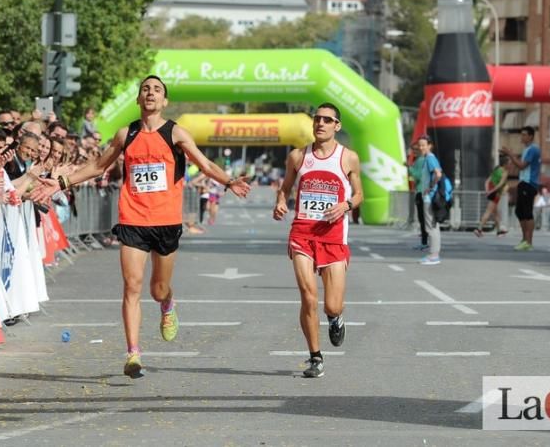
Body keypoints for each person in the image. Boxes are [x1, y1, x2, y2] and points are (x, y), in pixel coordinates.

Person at [32, 76, 251, 378]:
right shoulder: (127, 134)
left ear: (164, 102)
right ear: (138, 100)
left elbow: (204, 164)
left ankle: (167, 303)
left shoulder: (176, 133)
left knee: (157, 288)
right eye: (145, 89)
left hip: (166, 221)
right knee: (131, 286)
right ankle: (133, 353)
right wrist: (61, 182)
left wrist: (228, 181)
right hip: (133, 218)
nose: (150, 93)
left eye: (157, 90)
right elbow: (99, 165)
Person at [274, 103, 362, 379]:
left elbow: (359, 194)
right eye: (317, 119)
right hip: (302, 233)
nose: (320, 123)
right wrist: (280, 202)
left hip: (333, 236)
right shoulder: (298, 157)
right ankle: (315, 357)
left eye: (327, 120)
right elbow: (285, 187)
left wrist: (345, 205)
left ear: (337, 125)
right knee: (308, 297)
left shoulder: (348, 158)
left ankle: (336, 319)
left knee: (331, 305)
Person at [502, 125, 541, 251]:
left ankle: (528, 241)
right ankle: (524, 239)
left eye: (524, 134)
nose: (522, 137)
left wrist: (510, 154)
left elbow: (522, 165)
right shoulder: (527, 149)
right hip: (524, 182)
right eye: (521, 134)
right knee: (519, 211)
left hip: (529, 183)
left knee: (527, 212)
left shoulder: (533, 150)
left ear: (530, 136)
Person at [414, 136, 444, 265]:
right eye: (419, 145)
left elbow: (438, 174)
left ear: (429, 145)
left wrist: (430, 187)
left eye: (423, 145)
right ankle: (433, 254)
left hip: (429, 197)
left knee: (430, 226)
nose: (421, 148)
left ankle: (433, 255)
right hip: (429, 196)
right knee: (432, 225)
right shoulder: (428, 158)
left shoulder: (430, 158)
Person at [474, 155, 509, 237]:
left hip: (491, 191)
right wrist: (491, 191)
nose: (510, 164)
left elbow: (487, 181)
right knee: (488, 211)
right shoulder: (504, 172)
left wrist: (487, 190)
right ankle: (479, 229)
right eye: (509, 163)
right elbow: (500, 185)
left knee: (495, 213)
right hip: (496, 193)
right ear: (505, 164)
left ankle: (499, 231)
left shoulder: (496, 169)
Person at [409, 142, 428, 251]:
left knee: (423, 219)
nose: (415, 152)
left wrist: (409, 168)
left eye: (416, 150)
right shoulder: (421, 159)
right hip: (421, 191)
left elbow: (418, 175)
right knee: (423, 219)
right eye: (414, 150)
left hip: (421, 192)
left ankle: (425, 242)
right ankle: (425, 241)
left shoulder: (420, 160)